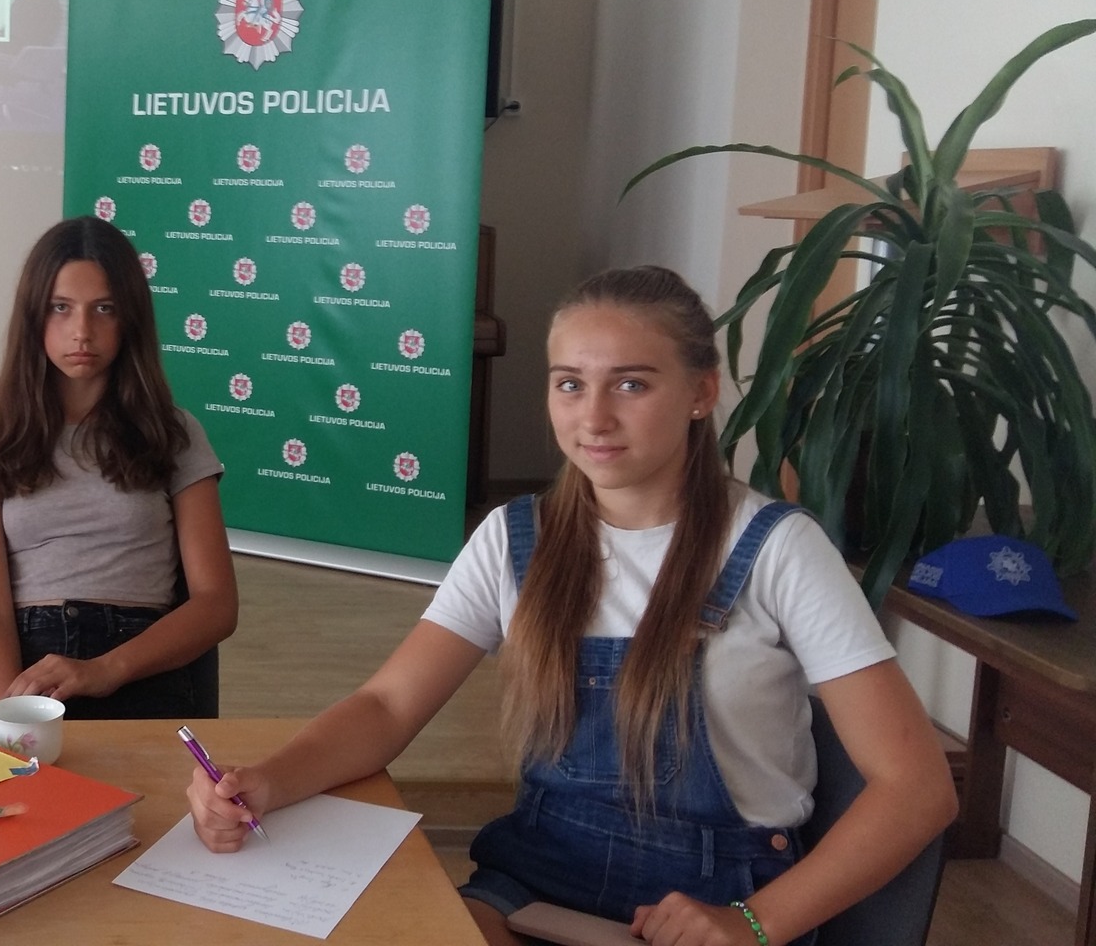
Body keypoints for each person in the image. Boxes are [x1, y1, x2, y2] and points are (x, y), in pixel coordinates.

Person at [185, 266, 957, 946]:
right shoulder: (513, 538)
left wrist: (754, 924)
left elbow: (916, 789)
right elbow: (388, 707)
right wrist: (266, 782)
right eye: (570, 384)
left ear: (701, 392)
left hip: (723, 902)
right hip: (538, 884)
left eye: (632, 384)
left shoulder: (779, 549)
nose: (593, 418)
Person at [0, 216, 237, 718]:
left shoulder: (174, 435)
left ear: (130, 319)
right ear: (33, 317)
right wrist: (13, 717)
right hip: (29, 668)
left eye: (104, 309)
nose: (82, 331)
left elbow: (216, 603)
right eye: (60, 308)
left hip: (140, 660)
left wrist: (106, 669)